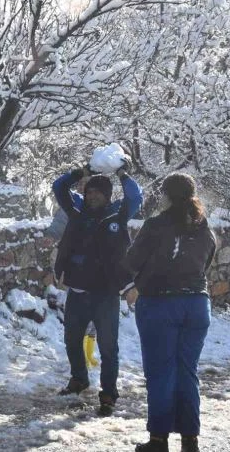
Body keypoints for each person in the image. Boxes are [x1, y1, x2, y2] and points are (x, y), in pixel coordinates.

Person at [124, 173, 216, 452]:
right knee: (187, 371)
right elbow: (206, 262)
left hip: (161, 304)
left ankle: (158, 440)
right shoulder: (203, 227)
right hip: (197, 304)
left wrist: (137, 283)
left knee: (161, 371)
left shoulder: (156, 225)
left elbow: (132, 261)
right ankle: (190, 440)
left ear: (166, 195)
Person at [52, 159, 143, 416]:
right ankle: (79, 378)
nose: (91, 196)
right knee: (72, 339)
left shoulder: (118, 213)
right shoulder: (78, 211)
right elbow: (59, 188)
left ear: (107, 195)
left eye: (97, 192)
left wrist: (122, 173)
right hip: (78, 291)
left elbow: (136, 196)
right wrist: (82, 173)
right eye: (88, 191)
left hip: (106, 293)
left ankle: (108, 394)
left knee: (108, 347)